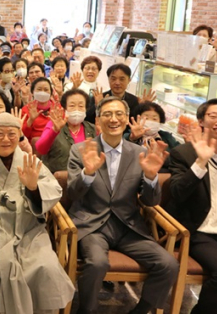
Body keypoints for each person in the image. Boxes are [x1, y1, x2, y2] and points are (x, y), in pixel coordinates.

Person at [0, 112, 74, 313]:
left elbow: (53, 189)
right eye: (0, 133)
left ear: (19, 136)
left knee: (46, 267)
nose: (6, 139)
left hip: (28, 229)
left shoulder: (29, 161)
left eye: (11, 134)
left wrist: (34, 188)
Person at [67, 97, 179, 314]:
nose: (113, 119)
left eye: (119, 114)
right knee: (97, 264)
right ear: (98, 120)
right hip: (92, 224)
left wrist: (150, 177)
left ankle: (141, 310)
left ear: (127, 119)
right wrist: (88, 173)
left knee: (168, 264)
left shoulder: (140, 153)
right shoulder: (81, 150)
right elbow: (72, 192)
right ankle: (86, 311)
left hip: (129, 226)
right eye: (107, 114)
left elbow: (150, 202)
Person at [168, 99, 217, 314]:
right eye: (213, 116)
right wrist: (201, 162)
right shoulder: (183, 153)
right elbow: (177, 193)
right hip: (198, 230)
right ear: (201, 121)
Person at [35, 89, 96, 177]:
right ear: (64, 108)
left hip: (85, 179)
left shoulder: (92, 129)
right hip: (56, 179)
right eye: (72, 106)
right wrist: (54, 131)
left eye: (81, 106)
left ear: (86, 109)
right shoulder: (54, 124)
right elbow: (40, 149)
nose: (77, 110)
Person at [21, 77, 57, 145]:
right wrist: (31, 120)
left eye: (46, 89)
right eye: (39, 89)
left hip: (55, 143)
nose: (42, 92)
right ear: (32, 92)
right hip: (34, 146)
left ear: (51, 92)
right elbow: (22, 135)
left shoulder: (57, 108)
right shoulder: (26, 109)